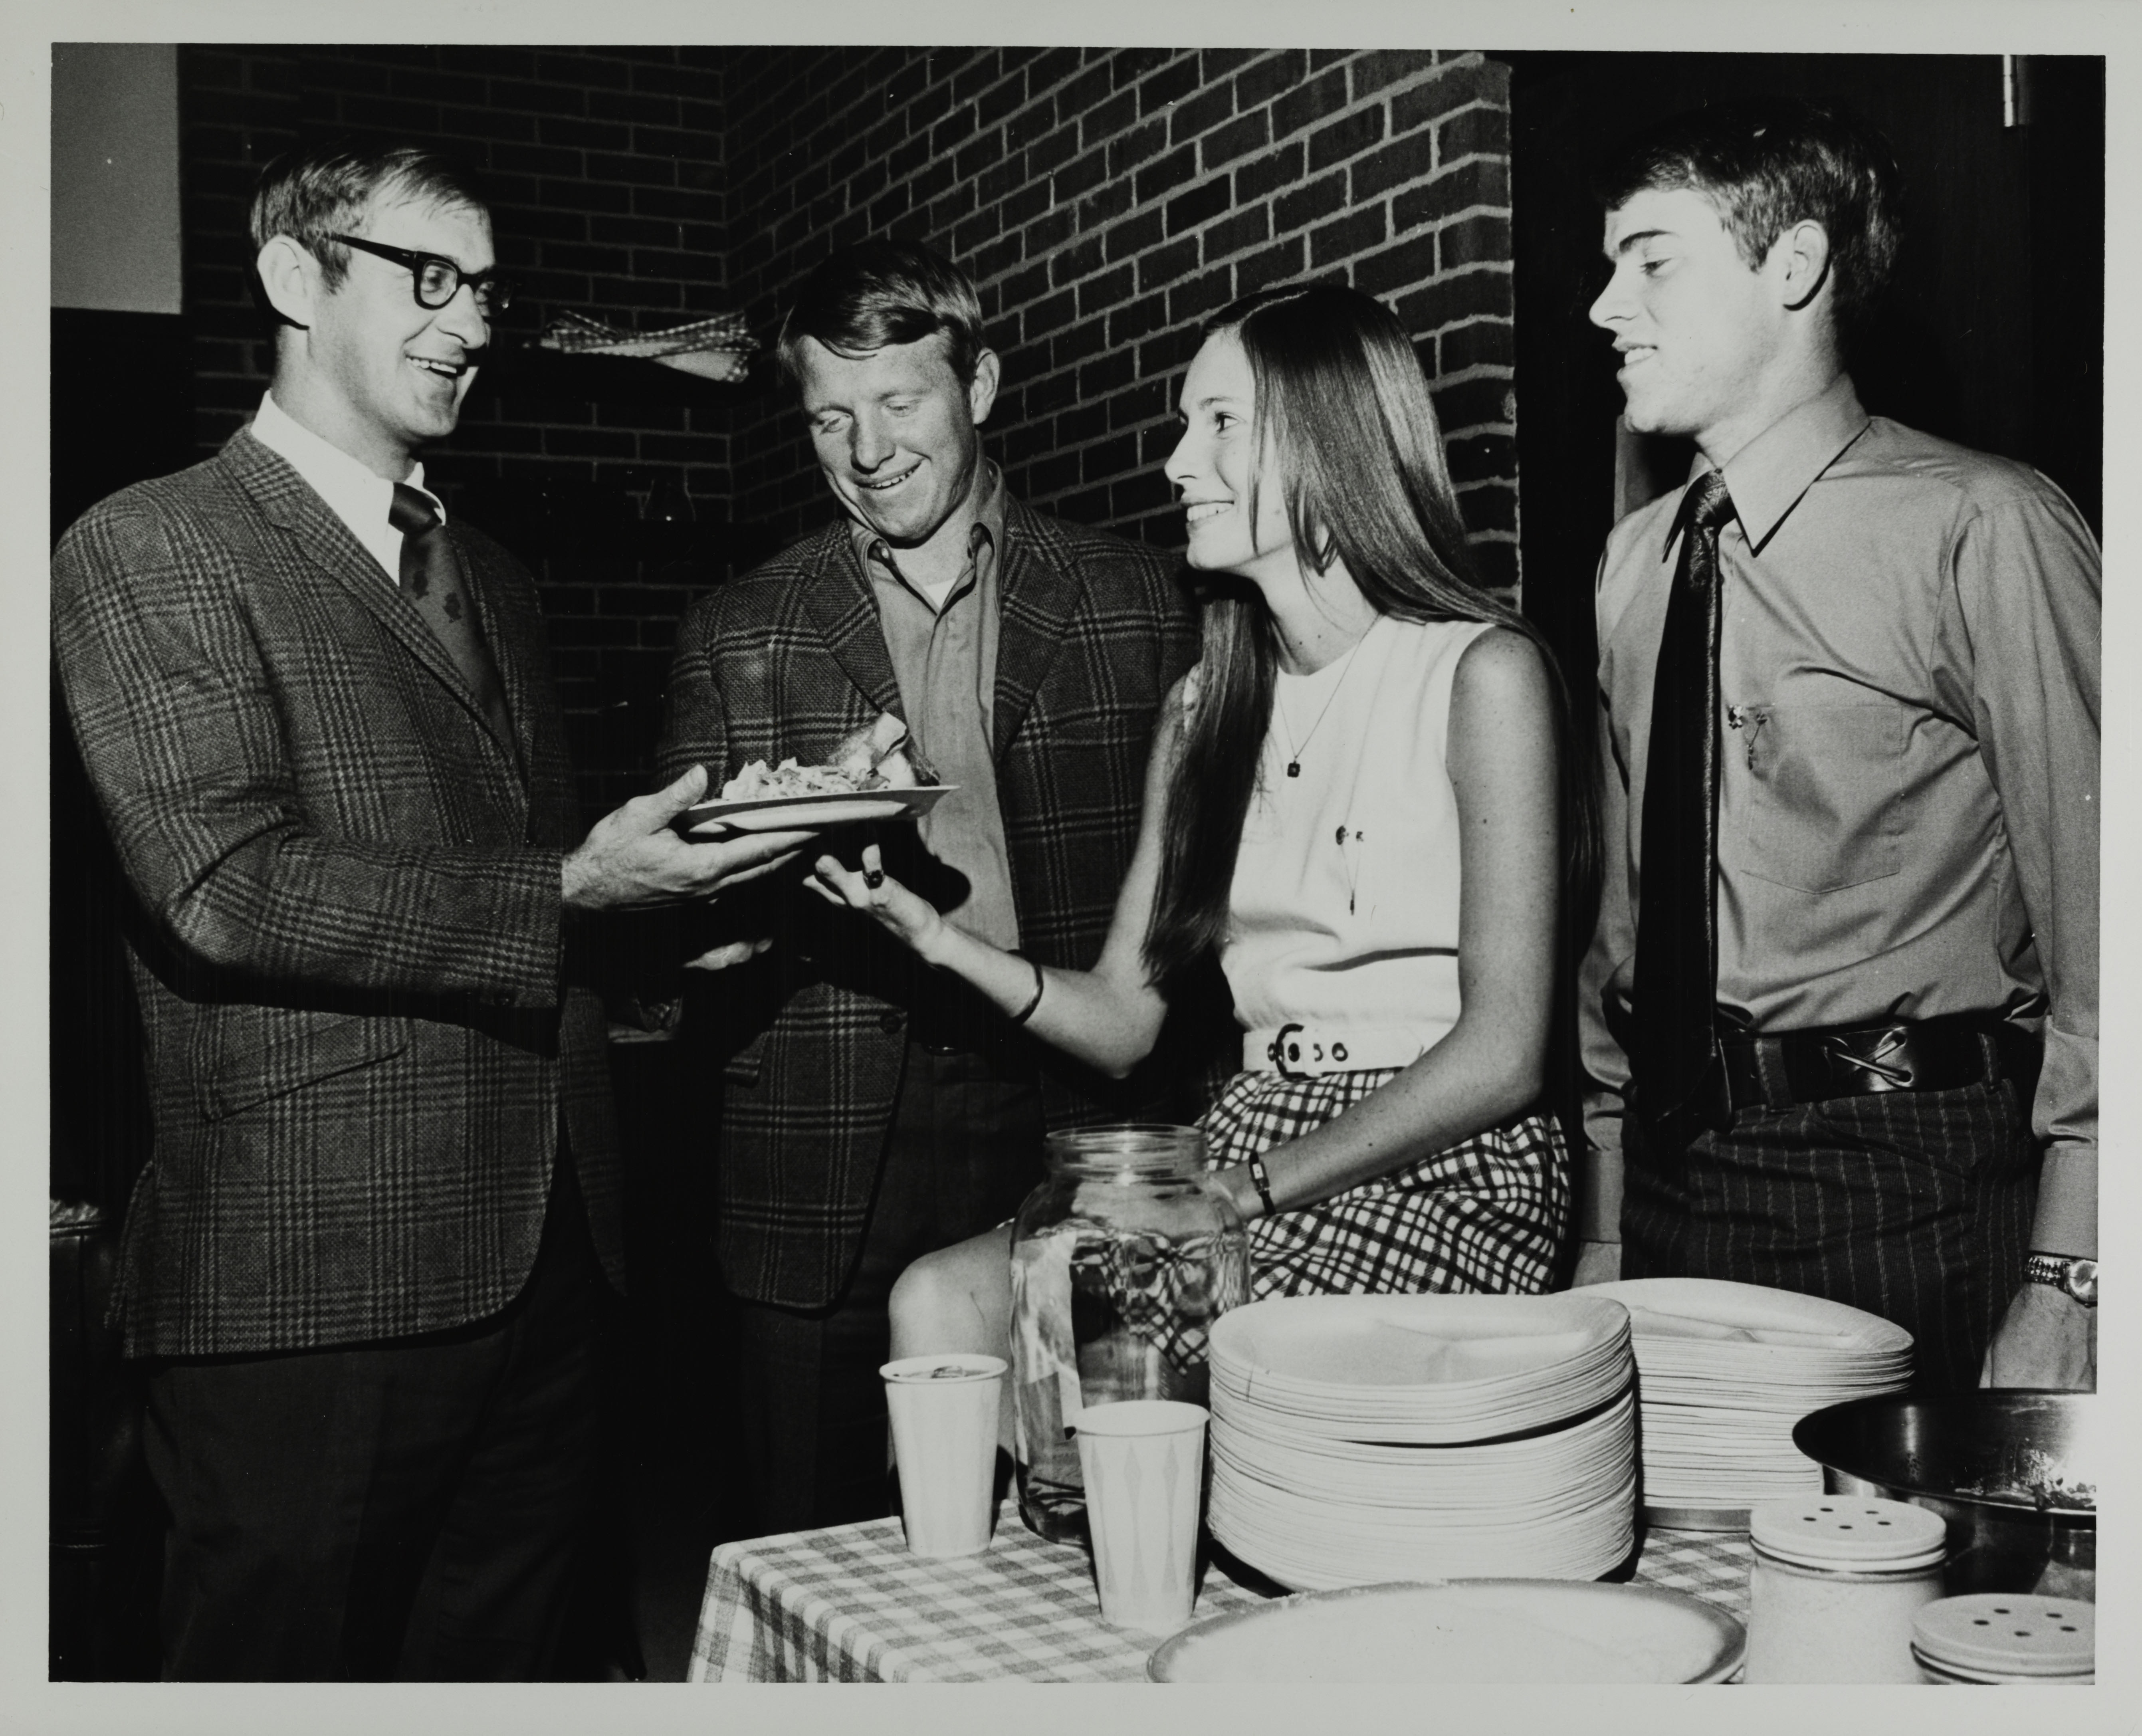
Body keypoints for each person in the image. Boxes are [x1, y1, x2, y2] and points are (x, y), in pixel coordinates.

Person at [51, 141, 806, 1681]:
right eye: (430, 278)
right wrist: (578, 889)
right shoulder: (150, 546)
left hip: (550, 1264)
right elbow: (222, 885)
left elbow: (518, 886)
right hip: (308, 1283)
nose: (471, 322)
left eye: (488, 288)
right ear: (291, 276)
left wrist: (677, 923)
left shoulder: (496, 574)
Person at [812, 283, 1580, 1370]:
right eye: (1186, 426)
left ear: (1332, 442)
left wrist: (1247, 1189)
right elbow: (1126, 1019)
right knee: (947, 1300)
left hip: (1443, 1152)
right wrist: (934, 939)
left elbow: (1504, 1055)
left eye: (1219, 424)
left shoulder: (1478, 674)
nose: (1177, 463)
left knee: (1187, 1359)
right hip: (1249, 1134)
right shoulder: (1203, 710)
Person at [656, 241, 1204, 1532]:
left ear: (984, 385)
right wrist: (732, 898)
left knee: (1104, 1512)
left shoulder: (1139, 602)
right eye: (830, 418)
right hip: (830, 1137)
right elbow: (678, 927)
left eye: (899, 403)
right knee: (819, 1530)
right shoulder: (739, 630)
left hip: (1079, 1098)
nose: (866, 449)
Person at [1574, 101, 2098, 1392]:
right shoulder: (1634, 565)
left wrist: (2073, 1274)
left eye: (1650, 261)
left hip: (1909, 1180)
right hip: (1672, 1190)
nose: (1604, 307)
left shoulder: (1985, 528)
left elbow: (2113, 934)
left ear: (1793, 267)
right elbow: (1618, 943)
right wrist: (1601, 1225)